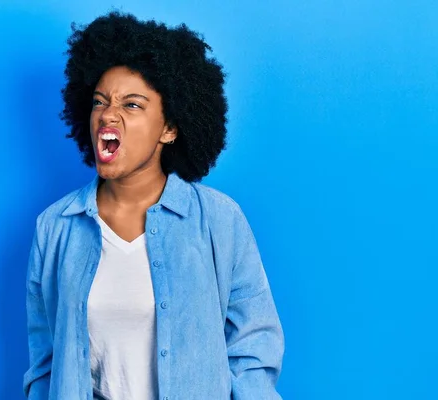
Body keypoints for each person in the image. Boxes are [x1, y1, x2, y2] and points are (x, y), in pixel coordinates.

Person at [23, 11, 284, 400]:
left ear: (169, 128)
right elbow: (45, 364)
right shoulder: (55, 228)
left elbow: (253, 346)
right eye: (100, 102)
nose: (108, 114)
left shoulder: (219, 221)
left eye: (132, 105)